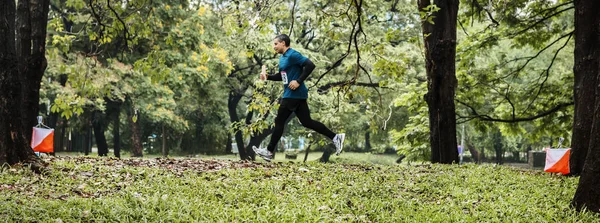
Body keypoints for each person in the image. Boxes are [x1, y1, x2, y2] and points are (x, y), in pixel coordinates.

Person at [253, 34, 345, 162]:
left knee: (279, 121)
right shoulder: (283, 58)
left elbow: (310, 65)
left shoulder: (292, 54)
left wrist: (298, 81)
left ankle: (268, 151)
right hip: (295, 94)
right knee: (307, 122)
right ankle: (336, 137)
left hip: (293, 94)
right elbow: (283, 76)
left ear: (283, 43)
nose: (274, 46)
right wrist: (268, 77)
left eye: (275, 44)